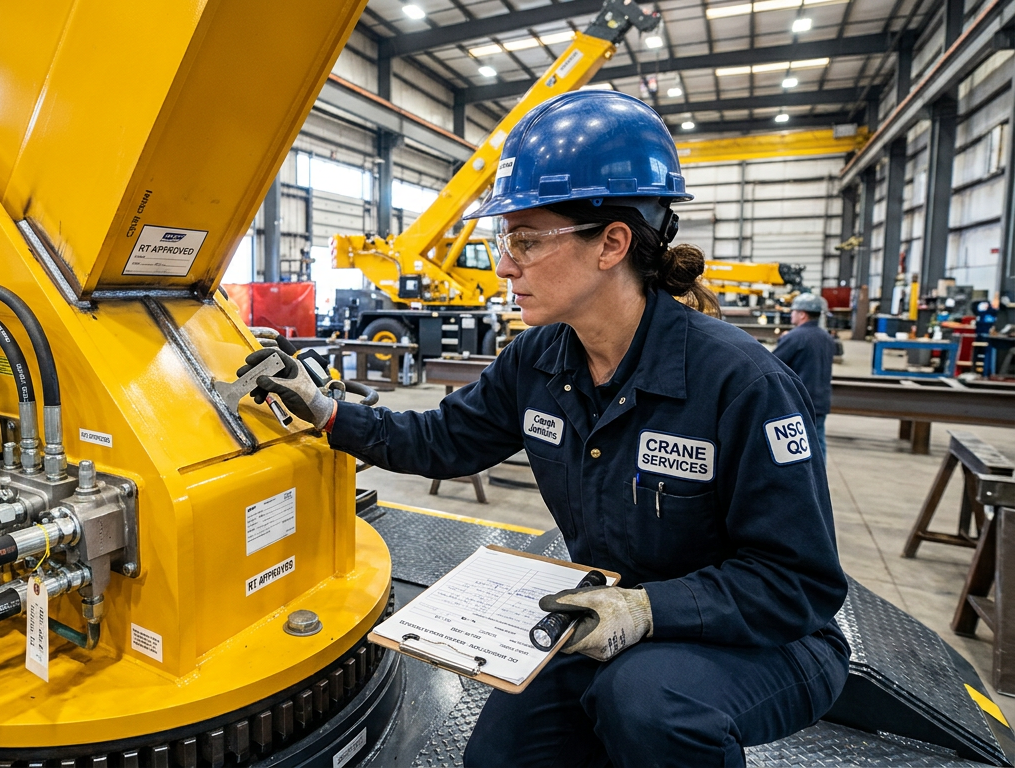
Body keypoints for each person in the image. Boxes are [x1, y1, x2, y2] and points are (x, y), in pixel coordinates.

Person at [239, 90, 848, 767]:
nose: (505, 265)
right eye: (508, 241)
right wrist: (327, 412)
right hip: (604, 614)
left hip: (762, 638)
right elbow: (441, 439)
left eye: (526, 241)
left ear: (612, 243)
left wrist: (649, 611)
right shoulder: (539, 361)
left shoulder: (741, 384)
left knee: (646, 702)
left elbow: (800, 584)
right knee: (500, 754)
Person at [773, 293, 834, 462]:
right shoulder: (827, 338)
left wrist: (782, 341)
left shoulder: (795, 337)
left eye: (793, 311)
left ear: (802, 314)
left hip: (800, 401)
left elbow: (773, 363)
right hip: (821, 400)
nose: (791, 314)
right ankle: (820, 482)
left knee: (796, 447)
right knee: (818, 441)